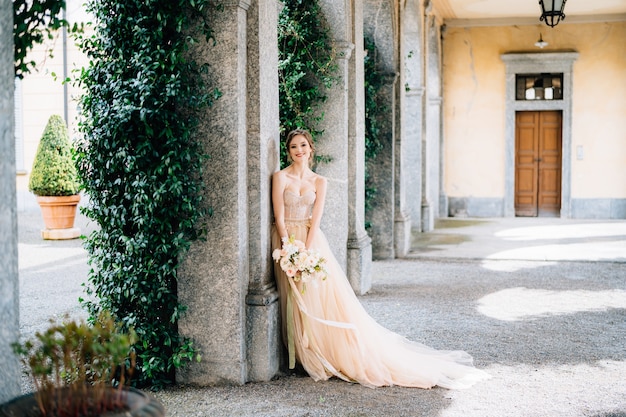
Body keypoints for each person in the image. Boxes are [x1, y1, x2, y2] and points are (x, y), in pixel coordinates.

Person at [271, 128, 490, 389]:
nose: (299, 151)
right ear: (288, 150)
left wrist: (305, 252)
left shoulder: (320, 181)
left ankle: (317, 351)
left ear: (311, 148)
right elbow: (279, 217)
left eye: (303, 145)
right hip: (286, 241)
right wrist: (289, 249)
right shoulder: (280, 177)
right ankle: (298, 353)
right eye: (294, 146)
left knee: (317, 297)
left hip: (311, 241)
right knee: (291, 297)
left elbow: (316, 220)